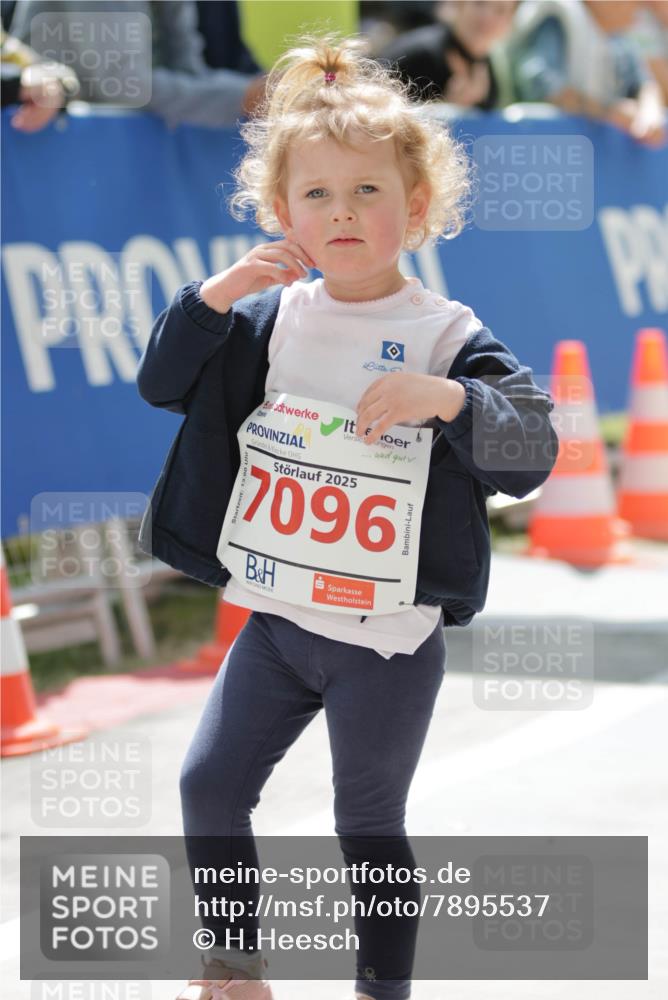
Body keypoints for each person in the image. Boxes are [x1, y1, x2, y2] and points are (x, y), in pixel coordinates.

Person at [136, 31, 558, 1000]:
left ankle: (380, 989)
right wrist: (219, 290)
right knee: (207, 786)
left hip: (384, 638)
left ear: (417, 208)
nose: (342, 213)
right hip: (281, 623)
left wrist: (446, 400)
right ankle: (233, 966)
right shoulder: (264, 316)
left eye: (368, 192)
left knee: (363, 821)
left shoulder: (446, 334)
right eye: (317, 194)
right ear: (280, 211)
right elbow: (161, 381)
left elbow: (528, 451)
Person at [5, 0, 267, 127]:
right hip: (49, 147)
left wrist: (260, 92)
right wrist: (244, 96)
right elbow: (121, 86)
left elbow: (189, 70)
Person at [509, 0, 667, 146]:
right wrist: (610, 112)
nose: (641, 7)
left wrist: (650, 110)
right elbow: (538, 83)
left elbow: (643, 82)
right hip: (539, 153)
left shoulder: (614, 37)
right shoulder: (560, 14)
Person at [377, 0, 519, 110]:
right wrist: (446, 110)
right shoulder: (417, 54)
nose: (487, 16)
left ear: (510, 22)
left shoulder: (487, 64)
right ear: (459, 4)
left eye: (500, 10)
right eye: (479, 2)